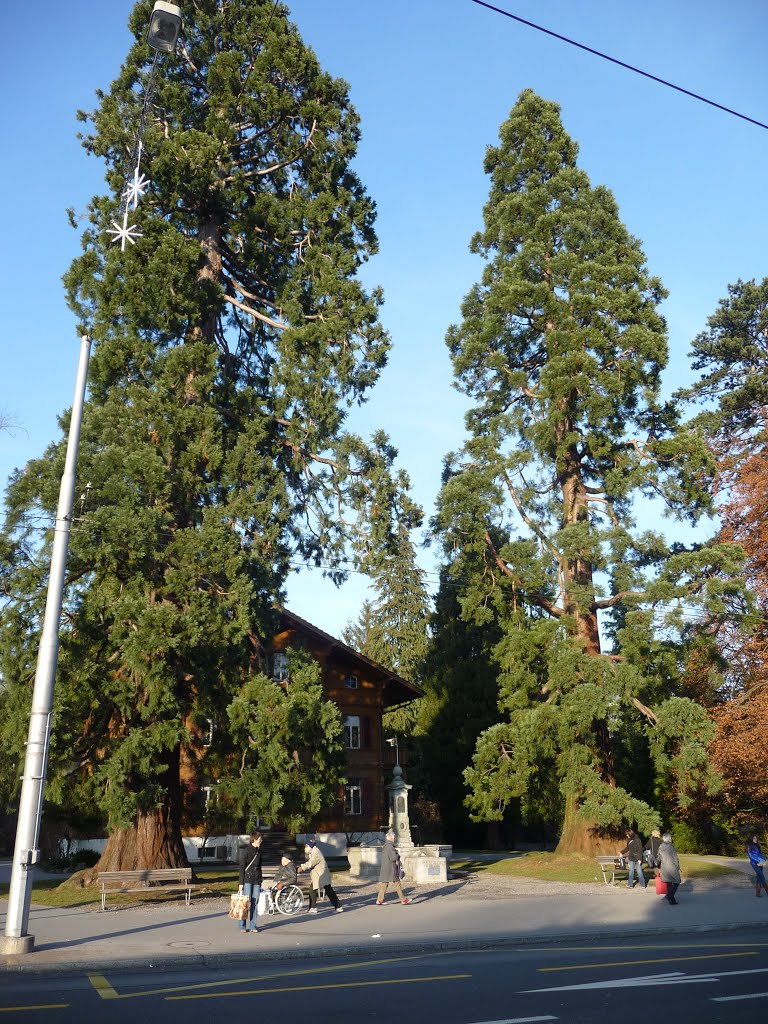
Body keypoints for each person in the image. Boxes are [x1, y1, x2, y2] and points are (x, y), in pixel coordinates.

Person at [298, 837, 344, 913]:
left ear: (310, 846)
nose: (305, 848)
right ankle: (313, 907)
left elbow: (310, 863)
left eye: (306, 846)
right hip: (319, 875)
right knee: (319, 890)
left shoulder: (316, 853)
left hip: (322, 874)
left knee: (326, 890)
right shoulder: (312, 852)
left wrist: (301, 867)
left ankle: (337, 906)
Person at [376, 830, 412, 905]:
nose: (394, 838)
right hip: (391, 869)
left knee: (384, 884)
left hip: (386, 868)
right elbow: (393, 858)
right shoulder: (390, 846)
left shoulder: (386, 845)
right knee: (397, 884)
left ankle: (379, 900)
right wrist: (398, 855)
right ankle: (403, 900)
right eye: (393, 837)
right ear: (391, 837)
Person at [237, 831, 263, 934]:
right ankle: (242, 925)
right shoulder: (246, 851)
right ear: (255, 839)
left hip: (256, 879)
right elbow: (242, 867)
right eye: (260, 839)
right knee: (245, 903)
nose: (261, 841)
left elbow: (260, 867)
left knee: (255, 903)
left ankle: (253, 925)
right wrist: (241, 883)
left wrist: (260, 880)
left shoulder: (259, 851)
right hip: (247, 879)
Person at [657, 832, 681, 905]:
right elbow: (675, 858)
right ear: (669, 839)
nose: (671, 839)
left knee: (669, 883)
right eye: (671, 838)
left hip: (664, 867)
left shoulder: (660, 847)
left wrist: (659, 867)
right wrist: (677, 867)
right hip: (672, 867)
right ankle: (670, 895)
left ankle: (671, 899)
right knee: (677, 881)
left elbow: (659, 858)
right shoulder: (671, 847)